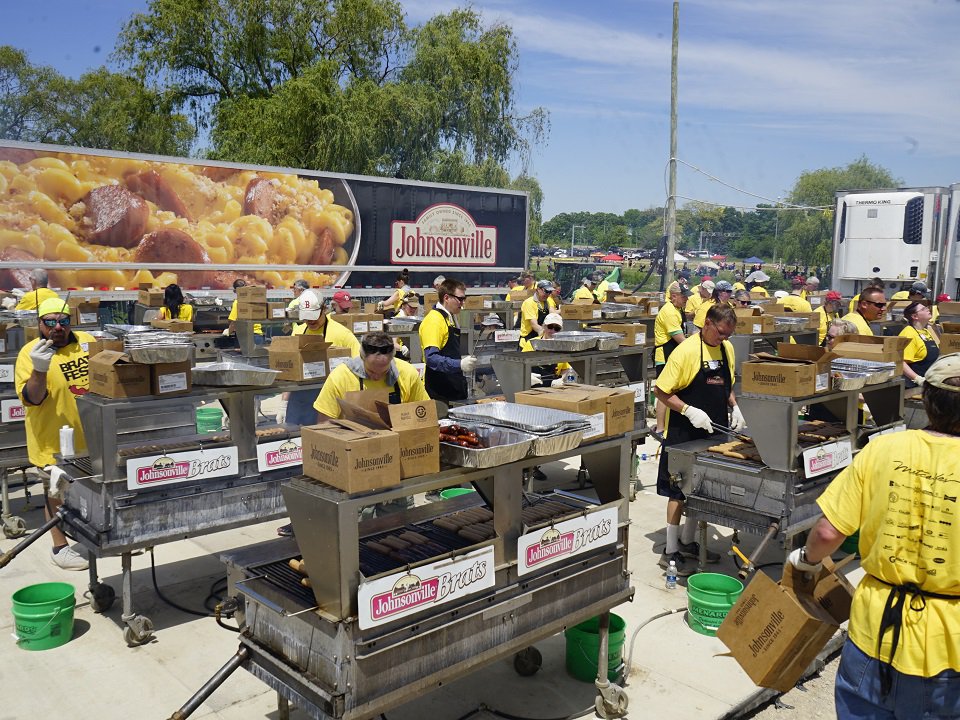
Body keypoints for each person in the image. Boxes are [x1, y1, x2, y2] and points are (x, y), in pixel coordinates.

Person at [785, 352, 960, 718]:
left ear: (926, 400)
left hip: (873, 632)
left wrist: (805, 561)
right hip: (948, 648)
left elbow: (829, 531)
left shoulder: (884, 448)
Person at [654, 305, 745, 576]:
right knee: (678, 491)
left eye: (728, 334)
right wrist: (688, 410)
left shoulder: (726, 349)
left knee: (702, 489)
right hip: (684, 432)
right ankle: (670, 551)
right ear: (706, 324)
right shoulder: (686, 351)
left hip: (713, 430)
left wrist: (735, 406)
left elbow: (726, 385)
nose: (724, 339)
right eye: (720, 333)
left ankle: (688, 541)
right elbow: (661, 391)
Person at [15, 297, 96, 570]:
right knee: (55, 492)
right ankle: (59, 546)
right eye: (50, 322)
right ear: (40, 324)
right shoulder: (30, 352)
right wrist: (39, 368)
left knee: (92, 492)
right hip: (52, 440)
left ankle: (91, 536)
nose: (57, 327)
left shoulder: (86, 340)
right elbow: (32, 398)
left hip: (91, 436)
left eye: (63, 321)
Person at [275, 290, 360, 428]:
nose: (311, 321)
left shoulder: (342, 334)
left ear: (324, 309)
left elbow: (359, 368)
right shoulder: (297, 332)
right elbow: (290, 371)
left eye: (314, 316)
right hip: (299, 400)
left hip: (329, 402)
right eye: (307, 317)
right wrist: (284, 402)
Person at [314, 331, 430, 420]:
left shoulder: (407, 374)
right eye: (371, 371)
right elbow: (325, 424)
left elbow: (424, 414)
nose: (377, 378)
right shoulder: (340, 377)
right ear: (362, 357)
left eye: (384, 372)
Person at [418, 278, 477, 403]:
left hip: (453, 389)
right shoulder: (434, 321)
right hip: (441, 394)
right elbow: (431, 358)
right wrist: (459, 364)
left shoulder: (450, 318)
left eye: (464, 299)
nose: (463, 303)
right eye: (460, 299)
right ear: (446, 298)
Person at [652, 281, 690, 441]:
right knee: (664, 391)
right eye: (684, 297)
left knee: (673, 390)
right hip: (665, 355)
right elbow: (679, 338)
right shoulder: (669, 312)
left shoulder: (677, 309)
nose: (686, 300)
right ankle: (660, 428)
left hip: (673, 354)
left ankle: (667, 424)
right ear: (674, 296)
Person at [520, 312, 571, 387]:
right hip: (534, 386)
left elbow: (565, 369)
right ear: (544, 326)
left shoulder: (562, 347)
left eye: (557, 328)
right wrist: (527, 376)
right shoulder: (531, 343)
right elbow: (521, 365)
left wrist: (561, 380)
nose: (553, 331)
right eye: (550, 327)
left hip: (554, 387)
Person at [899, 301, 940, 388]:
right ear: (915, 316)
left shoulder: (926, 331)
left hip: (928, 383)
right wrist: (918, 379)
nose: (928, 309)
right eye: (923, 309)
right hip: (913, 386)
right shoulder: (908, 333)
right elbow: (900, 361)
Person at [518, 279, 553, 348]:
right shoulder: (529, 303)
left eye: (550, 292)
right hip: (528, 342)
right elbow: (534, 325)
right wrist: (545, 335)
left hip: (540, 341)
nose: (548, 294)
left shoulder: (546, 302)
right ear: (538, 289)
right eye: (546, 291)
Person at [391, 293, 420, 359]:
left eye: (415, 308)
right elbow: (393, 344)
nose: (413, 310)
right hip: (401, 356)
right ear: (403, 306)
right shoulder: (397, 320)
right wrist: (403, 349)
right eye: (411, 307)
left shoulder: (413, 318)